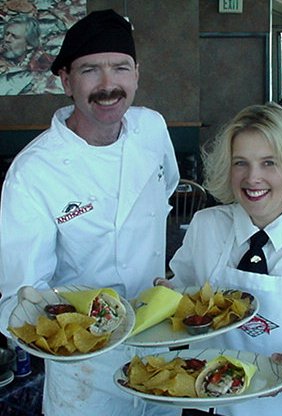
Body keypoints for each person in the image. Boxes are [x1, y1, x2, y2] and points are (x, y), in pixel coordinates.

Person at [0, 9, 180, 416]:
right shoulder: (34, 172)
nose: (107, 85)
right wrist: (87, 327)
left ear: (136, 74)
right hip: (86, 374)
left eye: (120, 68)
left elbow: (164, 191)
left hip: (161, 349)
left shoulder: (152, 128)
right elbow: (22, 293)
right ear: (65, 80)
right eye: (89, 70)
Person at [159, 102, 282, 415]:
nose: (253, 178)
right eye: (241, 163)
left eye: (269, 163)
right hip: (205, 405)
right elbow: (181, 297)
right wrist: (166, 297)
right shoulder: (206, 225)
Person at [0, 14, 58, 94]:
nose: (7, 39)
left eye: (14, 37)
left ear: (29, 45)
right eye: (7, 34)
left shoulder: (42, 67)